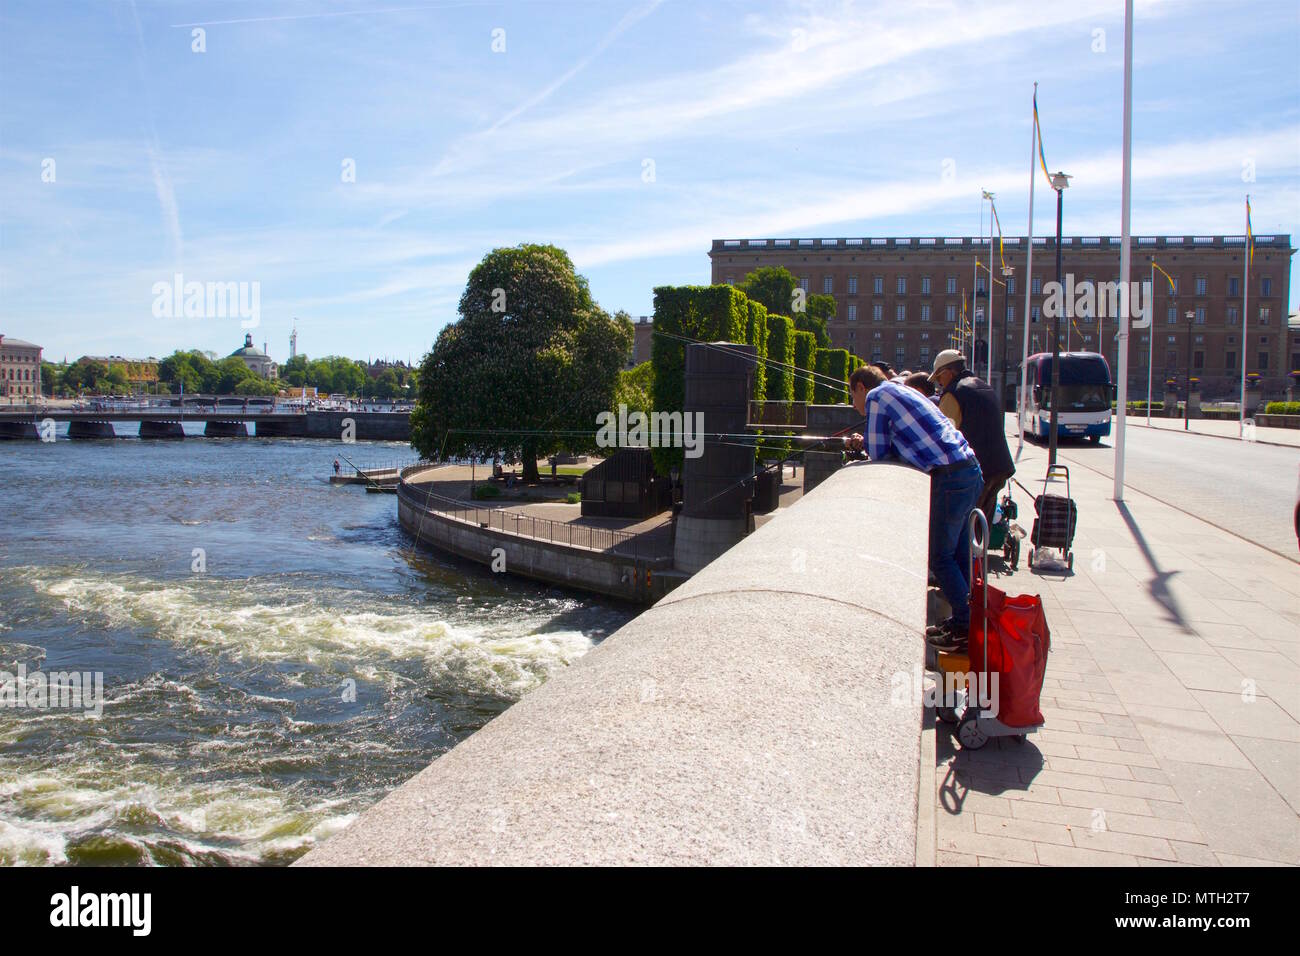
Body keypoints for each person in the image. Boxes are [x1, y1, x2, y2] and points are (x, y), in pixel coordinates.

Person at [845, 365, 983, 650]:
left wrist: (863, 445)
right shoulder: (903, 390)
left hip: (949, 477)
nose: (854, 404)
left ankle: (966, 627)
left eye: (852, 395)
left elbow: (878, 452)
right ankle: (966, 622)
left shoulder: (877, 397)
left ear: (861, 386)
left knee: (939, 557)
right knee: (958, 557)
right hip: (969, 470)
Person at [929, 350, 1015, 527]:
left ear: (948, 372)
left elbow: (944, 434)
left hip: (977, 468)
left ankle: (969, 555)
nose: (938, 382)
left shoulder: (953, 393)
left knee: (964, 527)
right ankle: (979, 555)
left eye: (938, 376)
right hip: (1000, 466)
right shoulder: (984, 386)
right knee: (983, 526)